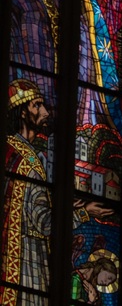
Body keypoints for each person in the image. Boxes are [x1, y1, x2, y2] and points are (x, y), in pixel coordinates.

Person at [1, 80, 113, 305]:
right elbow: (44, 224)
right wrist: (85, 213)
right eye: (36, 105)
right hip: (27, 260)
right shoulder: (29, 165)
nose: (45, 111)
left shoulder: (11, 151)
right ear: (22, 113)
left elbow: (23, 208)